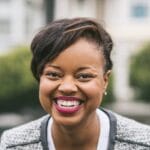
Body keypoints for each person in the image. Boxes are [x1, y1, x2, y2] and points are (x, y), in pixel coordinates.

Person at [0, 17, 150, 150]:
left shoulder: (143, 143)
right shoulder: (13, 144)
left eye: (83, 76)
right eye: (53, 74)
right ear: (40, 78)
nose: (67, 87)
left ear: (105, 81)